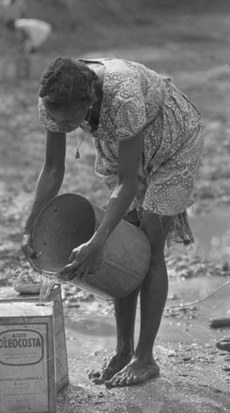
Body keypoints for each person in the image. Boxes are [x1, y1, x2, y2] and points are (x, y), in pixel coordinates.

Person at [22, 56, 204, 387]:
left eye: (72, 123)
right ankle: (123, 351)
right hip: (122, 140)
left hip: (173, 142)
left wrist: (98, 239)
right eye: (58, 122)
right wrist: (29, 227)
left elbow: (127, 183)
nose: (64, 129)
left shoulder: (124, 96)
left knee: (147, 245)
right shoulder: (53, 100)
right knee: (125, 242)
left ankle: (144, 358)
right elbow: (52, 168)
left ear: (90, 100)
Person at [0, 0, 26, 80]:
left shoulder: (20, 3)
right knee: (5, 54)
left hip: (17, 31)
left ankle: (18, 76)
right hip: (6, 33)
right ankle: (4, 76)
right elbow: (0, 19)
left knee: (18, 54)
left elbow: (23, 17)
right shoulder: (3, 3)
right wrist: (7, 25)